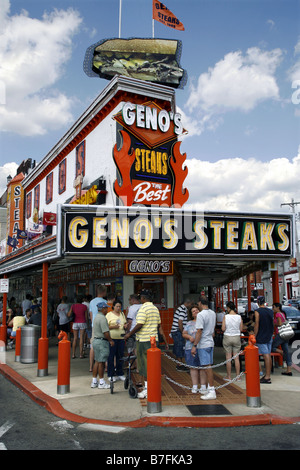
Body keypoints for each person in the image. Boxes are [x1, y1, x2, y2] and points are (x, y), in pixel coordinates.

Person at [124, 289, 169, 399]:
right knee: (153, 365)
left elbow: (139, 324)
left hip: (144, 340)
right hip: (154, 339)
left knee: (144, 366)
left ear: (143, 298)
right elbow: (158, 325)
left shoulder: (143, 308)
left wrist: (129, 334)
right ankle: (152, 388)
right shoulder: (155, 308)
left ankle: (147, 390)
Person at [191, 296, 216, 400]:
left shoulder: (201, 315)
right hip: (210, 342)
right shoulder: (213, 313)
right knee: (208, 367)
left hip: (203, 344)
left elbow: (199, 331)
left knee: (207, 368)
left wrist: (194, 346)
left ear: (200, 303)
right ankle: (209, 388)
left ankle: (211, 390)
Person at [182, 304, 207, 394]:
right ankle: (195, 386)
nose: (195, 312)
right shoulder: (189, 323)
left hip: (202, 347)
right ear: (191, 314)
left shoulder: (204, 322)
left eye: (197, 310)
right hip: (189, 347)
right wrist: (189, 337)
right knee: (193, 367)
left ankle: (203, 386)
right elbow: (184, 333)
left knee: (202, 367)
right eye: (193, 311)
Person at [91, 300, 114, 389]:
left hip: (96, 341)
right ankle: (101, 382)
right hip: (102, 342)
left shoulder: (96, 317)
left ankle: (94, 381)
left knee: (97, 361)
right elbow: (106, 332)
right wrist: (111, 340)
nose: (107, 310)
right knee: (102, 363)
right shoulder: (103, 318)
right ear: (103, 309)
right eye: (106, 308)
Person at [254, 296, 274, 384]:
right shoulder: (270, 311)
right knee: (268, 355)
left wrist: (254, 335)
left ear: (258, 302)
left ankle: (267, 377)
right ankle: (267, 374)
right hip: (269, 335)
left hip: (261, 336)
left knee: (266, 356)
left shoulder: (257, 312)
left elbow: (257, 324)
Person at [221, 301, 243, 381]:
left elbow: (223, 328)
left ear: (228, 308)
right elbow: (241, 329)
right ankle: (238, 376)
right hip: (236, 337)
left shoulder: (226, 317)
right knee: (236, 358)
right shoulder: (239, 317)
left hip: (227, 337)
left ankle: (229, 376)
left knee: (228, 358)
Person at [106, 300, 128, 381]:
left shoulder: (122, 314)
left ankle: (120, 373)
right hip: (112, 338)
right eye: (117, 306)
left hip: (121, 338)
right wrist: (113, 327)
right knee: (111, 356)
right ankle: (111, 374)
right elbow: (105, 326)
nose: (118, 308)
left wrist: (125, 326)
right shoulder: (109, 315)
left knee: (120, 356)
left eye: (120, 306)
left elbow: (124, 323)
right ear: (113, 307)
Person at [89, 284, 107, 372]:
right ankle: (106, 366)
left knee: (93, 346)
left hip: (94, 325)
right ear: (103, 292)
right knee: (104, 345)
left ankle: (91, 367)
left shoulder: (92, 302)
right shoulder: (105, 302)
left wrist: (93, 323)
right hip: (103, 325)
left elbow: (91, 314)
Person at [170, 298, 192, 371]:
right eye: (191, 304)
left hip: (175, 331)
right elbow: (180, 322)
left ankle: (180, 363)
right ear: (188, 303)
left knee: (178, 347)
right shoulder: (183, 309)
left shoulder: (180, 308)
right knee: (180, 347)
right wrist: (183, 331)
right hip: (177, 331)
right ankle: (179, 365)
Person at [272, 302, 293, 376]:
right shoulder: (283, 314)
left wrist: (274, 324)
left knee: (271, 347)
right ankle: (289, 370)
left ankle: (281, 352)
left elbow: (280, 324)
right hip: (286, 335)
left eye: (273, 307)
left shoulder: (277, 314)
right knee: (286, 350)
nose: (273, 309)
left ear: (278, 307)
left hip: (281, 334)